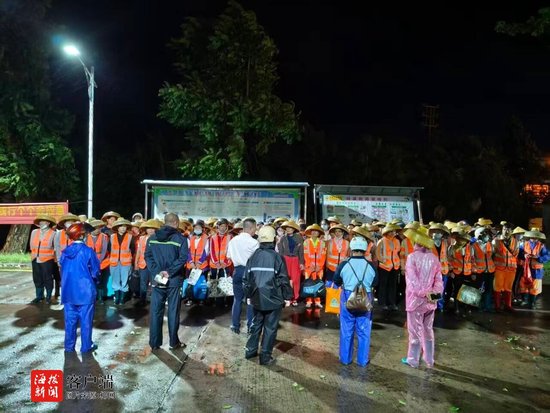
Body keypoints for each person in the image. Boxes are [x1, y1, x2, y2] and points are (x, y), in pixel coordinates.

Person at [243, 226, 292, 365]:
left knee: (256, 324)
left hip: (256, 298)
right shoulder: (277, 257)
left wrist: (248, 295)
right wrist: (287, 296)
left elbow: (246, 279)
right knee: (270, 328)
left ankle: (250, 351)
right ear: (274, 239)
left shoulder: (253, 256)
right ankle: (265, 357)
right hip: (274, 299)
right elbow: (283, 279)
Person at [145, 213, 188, 350]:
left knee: (155, 311)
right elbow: (182, 258)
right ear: (176, 223)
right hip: (174, 280)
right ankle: (173, 343)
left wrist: (157, 272)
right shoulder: (181, 239)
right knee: (173, 312)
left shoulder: (152, 238)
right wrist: (169, 272)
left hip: (157, 280)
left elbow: (148, 256)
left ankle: (154, 343)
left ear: (164, 222)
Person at [401, 228, 443, 369]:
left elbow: (412, 282)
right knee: (428, 330)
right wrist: (433, 294)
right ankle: (429, 359)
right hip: (431, 301)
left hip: (415, 301)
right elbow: (439, 281)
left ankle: (413, 360)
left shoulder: (412, 257)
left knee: (414, 332)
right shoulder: (434, 259)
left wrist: (423, 293)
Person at [333, 237, 376, 367]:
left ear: (351, 248)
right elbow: (376, 282)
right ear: (365, 250)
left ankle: (345, 359)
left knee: (346, 329)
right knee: (364, 330)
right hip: (365, 297)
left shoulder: (344, 264)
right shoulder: (371, 266)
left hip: (347, 297)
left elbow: (336, 280)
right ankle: (362, 360)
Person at [60, 222, 100, 353]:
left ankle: (69, 347)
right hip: (85, 292)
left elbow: (62, 269)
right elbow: (95, 271)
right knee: (86, 322)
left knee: (70, 322)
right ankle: (86, 346)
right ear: (82, 235)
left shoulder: (65, 252)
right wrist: (95, 282)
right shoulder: (88, 251)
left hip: (68, 292)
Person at [227, 217, 259, 334]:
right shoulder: (254, 242)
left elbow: (228, 256)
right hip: (249, 272)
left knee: (237, 299)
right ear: (251, 228)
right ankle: (250, 326)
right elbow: (257, 259)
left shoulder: (233, 241)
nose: (255, 230)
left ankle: (235, 325)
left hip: (237, 271)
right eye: (255, 228)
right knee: (250, 300)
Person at [29, 214, 57, 304]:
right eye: (40, 221)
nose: (41, 223)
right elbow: (31, 245)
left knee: (47, 278)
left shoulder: (53, 234)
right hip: (35, 258)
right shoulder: (34, 232)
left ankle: (48, 296)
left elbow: (55, 248)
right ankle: (39, 296)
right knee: (37, 278)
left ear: (48, 223)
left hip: (47, 260)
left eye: (43, 221)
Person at [518, 228, 548, 309]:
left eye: (535, 235)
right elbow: (519, 253)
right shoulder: (524, 244)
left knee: (534, 287)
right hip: (525, 269)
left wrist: (538, 258)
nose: (534, 237)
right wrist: (524, 255)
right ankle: (525, 300)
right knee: (523, 285)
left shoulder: (541, 246)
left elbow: (547, 256)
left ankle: (532, 303)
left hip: (536, 270)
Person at [277, 220, 305, 306]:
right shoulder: (282, 238)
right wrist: (281, 262)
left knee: (296, 279)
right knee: (286, 279)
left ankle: (295, 298)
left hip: (295, 260)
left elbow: (301, 251)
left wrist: (301, 262)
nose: (288, 229)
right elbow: (280, 252)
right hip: (286, 259)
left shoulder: (299, 237)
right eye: (287, 228)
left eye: (290, 228)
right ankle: (287, 297)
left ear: (294, 229)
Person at [492, 222, 519, 312]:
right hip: (499, 267)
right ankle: (497, 306)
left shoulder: (515, 242)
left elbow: (516, 253)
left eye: (508, 230)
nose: (506, 231)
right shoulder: (496, 240)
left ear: (511, 231)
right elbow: (492, 253)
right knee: (497, 287)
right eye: (504, 229)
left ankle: (508, 306)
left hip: (511, 268)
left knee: (508, 287)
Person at [108, 218, 135, 305]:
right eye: (121, 226)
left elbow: (133, 249)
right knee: (115, 280)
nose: (123, 228)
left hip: (126, 262)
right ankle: (117, 298)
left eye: (124, 226)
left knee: (125, 280)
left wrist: (128, 257)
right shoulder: (112, 237)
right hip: (114, 262)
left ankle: (122, 299)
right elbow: (109, 249)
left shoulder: (130, 237)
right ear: (117, 228)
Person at [134, 219, 161, 306]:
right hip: (143, 264)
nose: (151, 230)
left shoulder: (159, 238)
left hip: (154, 265)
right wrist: (136, 263)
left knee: (154, 283)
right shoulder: (141, 238)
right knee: (143, 283)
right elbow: (138, 251)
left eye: (153, 228)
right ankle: (142, 299)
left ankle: (154, 300)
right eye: (149, 228)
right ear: (146, 229)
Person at [376, 224, 402, 311]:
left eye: (393, 231)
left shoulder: (397, 241)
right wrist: (382, 261)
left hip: (395, 266)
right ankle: (382, 303)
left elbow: (398, 252)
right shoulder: (381, 241)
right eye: (390, 231)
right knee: (383, 286)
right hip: (384, 267)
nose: (392, 233)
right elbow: (378, 253)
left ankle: (392, 303)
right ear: (386, 232)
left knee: (393, 286)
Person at [185, 219, 210, 306]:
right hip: (191, 265)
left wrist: (199, 263)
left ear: (202, 229)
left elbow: (206, 252)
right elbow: (188, 251)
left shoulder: (206, 238)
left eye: (199, 228)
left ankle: (201, 299)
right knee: (190, 282)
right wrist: (191, 262)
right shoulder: (190, 238)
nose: (197, 229)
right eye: (196, 228)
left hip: (202, 265)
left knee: (201, 283)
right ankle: (190, 298)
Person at [85, 220, 110, 304]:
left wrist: (98, 261)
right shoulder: (86, 237)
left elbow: (104, 250)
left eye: (99, 228)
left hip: (102, 262)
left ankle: (101, 297)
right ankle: (93, 297)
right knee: (91, 280)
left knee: (101, 280)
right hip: (90, 261)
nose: (97, 230)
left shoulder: (104, 236)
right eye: (95, 228)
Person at [303, 224, 327, 309]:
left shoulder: (322, 243)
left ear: (319, 233)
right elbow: (305, 255)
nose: (314, 232)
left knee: (318, 285)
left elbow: (323, 255)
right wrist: (310, 266)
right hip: (309, 267)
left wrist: (319, 266)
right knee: (309, 285)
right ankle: (309, 301)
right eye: (312, 231)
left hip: (319, 268)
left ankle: (317, 301)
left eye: (316, 231)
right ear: (310, 232)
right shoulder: (306, 242)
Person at [429, 223, 451, 311]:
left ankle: (440, 305)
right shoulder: (429, 243)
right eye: (436, 231)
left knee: (442, 288)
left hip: (443, 270)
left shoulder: (445, 243)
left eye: (440, 232)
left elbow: (447, 255)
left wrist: (449, 267)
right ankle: (433, 305)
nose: (438, 233)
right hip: (432, 271)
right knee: (433, 288)